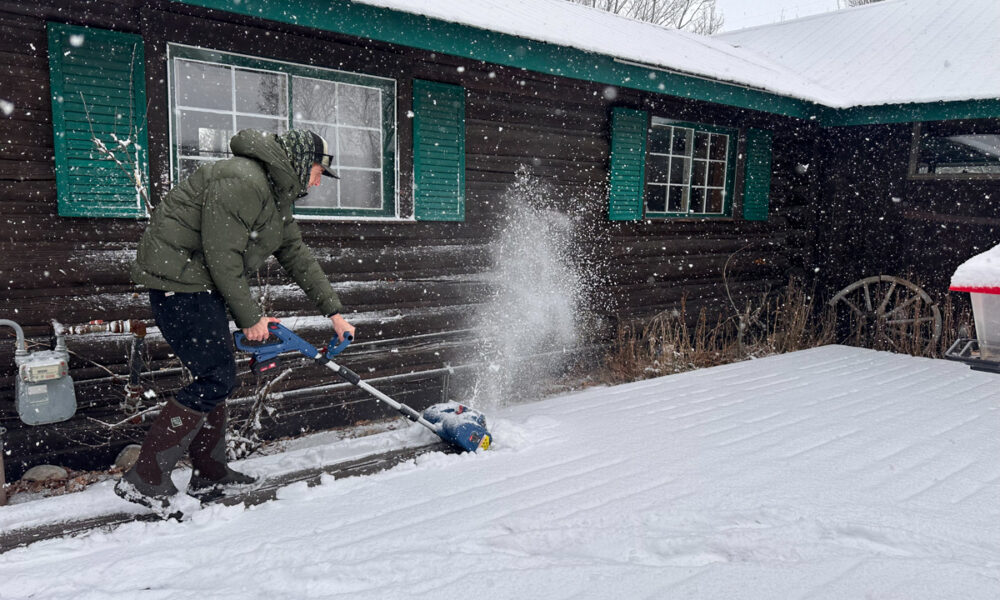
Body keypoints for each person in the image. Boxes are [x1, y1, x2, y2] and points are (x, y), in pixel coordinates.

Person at [115, 129, 355, 511]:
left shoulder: (276, 195)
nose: (316, 181)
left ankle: (210, 474)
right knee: (217, 377)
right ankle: (145, 478)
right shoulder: (242, 180)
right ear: (298, 160)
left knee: (218, 375)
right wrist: (251, 317)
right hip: (180, 283)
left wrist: (335, 313)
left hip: (199, 284)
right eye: (316, 171)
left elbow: (296, 255)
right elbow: (222, 255)